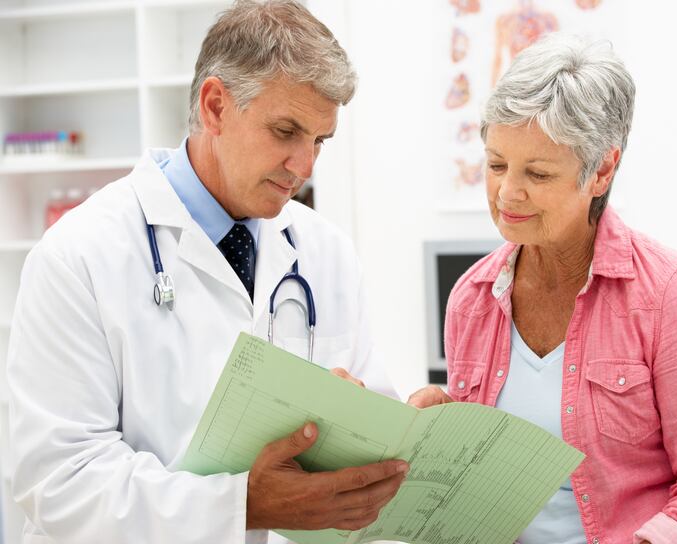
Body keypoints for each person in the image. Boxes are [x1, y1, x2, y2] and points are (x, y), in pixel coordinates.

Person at [6, 2, 409, 543]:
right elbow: (58, 480)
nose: (305, 166)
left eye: (319, 141)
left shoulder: (325, 251)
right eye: (286, 131)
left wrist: (397, 434)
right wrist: (240, 505)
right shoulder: (78, 255)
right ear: (216, 106)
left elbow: (365, 425)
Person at [409, 33, 677, 543]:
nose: (508, 192)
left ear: (601, 170)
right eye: (497, 164)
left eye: (538, 172)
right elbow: (487, 485)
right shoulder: (472, 297)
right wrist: (436, 440)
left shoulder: (666, 293)